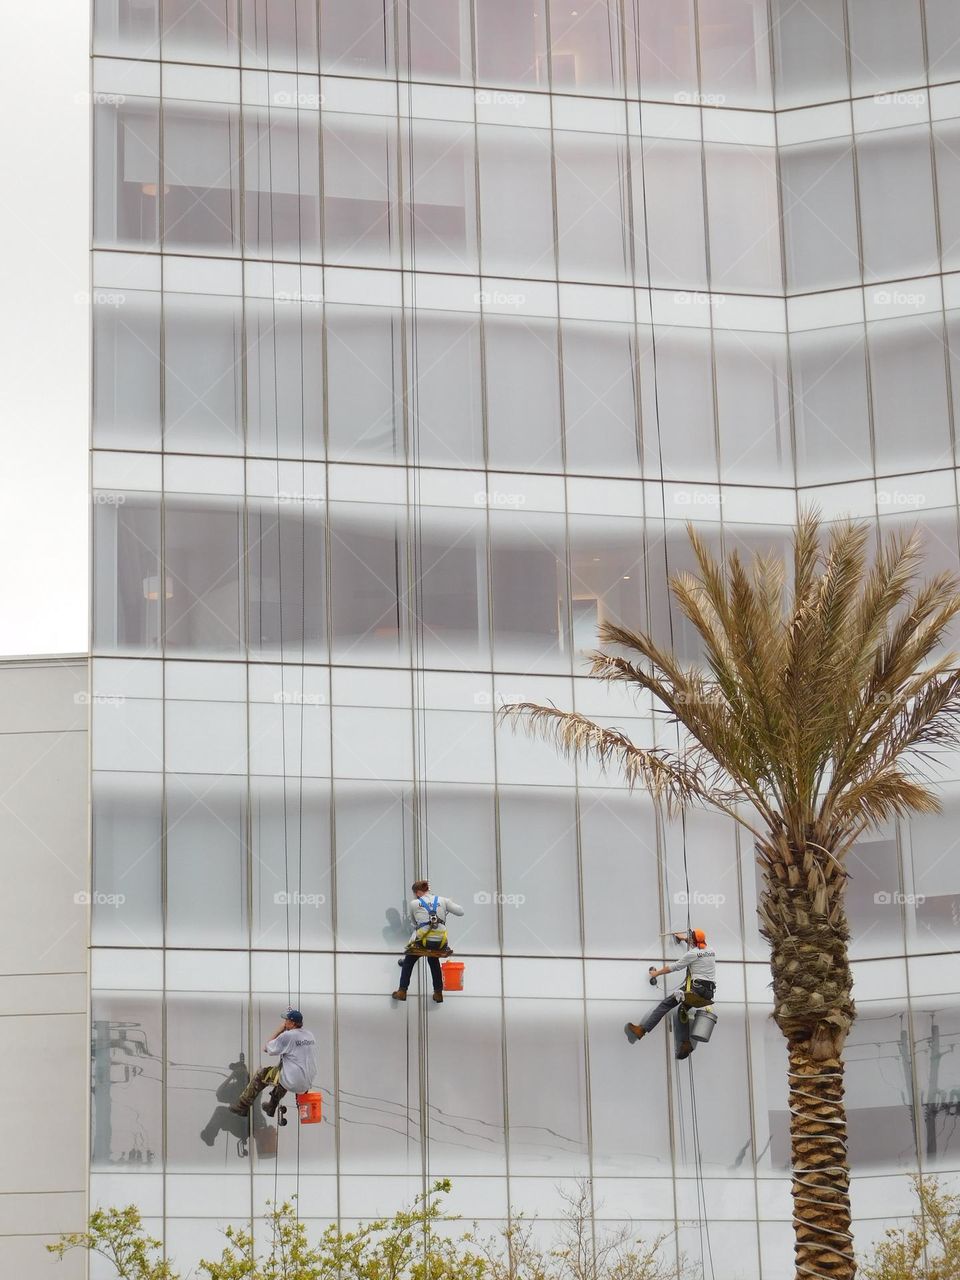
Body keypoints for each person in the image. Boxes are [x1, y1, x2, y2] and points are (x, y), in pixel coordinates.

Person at [624, 929, 717, 1060]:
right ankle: (686, 1044)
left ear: (693, 940)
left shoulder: (692, 953)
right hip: (708, 993)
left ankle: (642, 1030)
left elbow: (674, 967)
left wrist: (656, 973)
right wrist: (685, 939)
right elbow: (699, 948)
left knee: (666, 1004)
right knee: (682, 1009)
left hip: (696, 989)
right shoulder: (711, 950)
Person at [230, 1008, 318, 1119]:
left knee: (262, 1073)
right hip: (307, 1080)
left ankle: (242, 1106)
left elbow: (266, 1048)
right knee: (280, 1074)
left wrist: (280, 1030)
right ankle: (271, 1107)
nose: (284, 1022)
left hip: (293, 1080)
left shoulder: (288, 1036)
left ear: (292, 1023)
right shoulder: (309, 1035)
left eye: (286, 1020)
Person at [392, 879, 464, 1004]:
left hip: (423, 942)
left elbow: (414, 923)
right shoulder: (443, 900)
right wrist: (448, 903)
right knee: (433, 959)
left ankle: (402, 991)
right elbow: (461, 912)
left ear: (417, 892)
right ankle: (438, 993)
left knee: (408, 961)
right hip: (440, 942)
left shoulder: (414, 903)